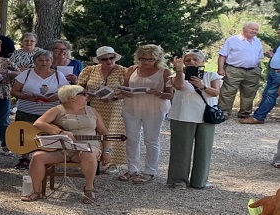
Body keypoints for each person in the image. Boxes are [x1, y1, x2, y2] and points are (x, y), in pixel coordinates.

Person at [21, 85, 111, 204]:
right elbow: (38, 123)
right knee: (37, 157)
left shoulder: (91, 110)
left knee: (87, 153)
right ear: (72, 97)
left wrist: (107, 151)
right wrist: (60, 132)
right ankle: (36, 191)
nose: (87, 96)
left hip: (89, 147)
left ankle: (89, 189)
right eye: (83, 94)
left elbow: (104, 132)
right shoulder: (57, 110)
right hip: (62, 149)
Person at [119, 44, 171, 185]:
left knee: (151, 140)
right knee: (131, 139)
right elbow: (124, 88)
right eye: (143, 59)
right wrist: (125, 92)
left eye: (150, 59)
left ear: (157, 58)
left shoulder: (164, 72)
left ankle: (150, 171)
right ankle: (132, 168)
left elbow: (170, 94)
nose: (146, 62)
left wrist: (157, 92)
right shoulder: (131, 69)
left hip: (154, 108)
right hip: (131, 107)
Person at [170, 50, 222, 189]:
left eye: (195, 59)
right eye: (187, 60)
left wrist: (202, 86)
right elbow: (179, 86)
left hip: (206, 116)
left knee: (204, 149)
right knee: (180, 148)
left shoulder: (211, 75)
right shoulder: (176, 75)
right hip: (182, 115)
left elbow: (216, 92)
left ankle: (200, 180)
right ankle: (178, 179)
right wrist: (180, 70)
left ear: (202, 62)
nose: (191, 62)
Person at [10, 50, 62, 169]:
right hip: (26, 109)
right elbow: (14, 91)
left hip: (49, 112)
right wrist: (26, 96)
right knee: (24, 133)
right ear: (34, 62)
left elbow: (64, 92)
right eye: (40, 60)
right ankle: (24, 158)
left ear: (51, 61)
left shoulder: (59, 75)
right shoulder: (26, 74)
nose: (44, 63)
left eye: (47, 60)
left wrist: (55, 96)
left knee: (47, 133)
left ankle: (44, 157)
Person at [77, 46, 127, 167]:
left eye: (112, 58)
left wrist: (114, 97)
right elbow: (79, 87)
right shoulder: (90, 70)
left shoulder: (123, 71)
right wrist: (87, 92)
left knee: (112, 133)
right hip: (94, 106)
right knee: (94, 131)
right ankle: (94, 160)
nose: (109, 61)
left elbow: (127, 91)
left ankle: (112, 162)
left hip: (114, 108)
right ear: (99, 60)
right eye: (105, 59)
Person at [217, 22, 264, 118]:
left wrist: (258, 69)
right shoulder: (232, 40)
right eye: (252, 29)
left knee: (249, 93)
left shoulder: (257, 41)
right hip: (234, 69)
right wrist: (220, 69)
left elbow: (259, 57)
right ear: (244, 28)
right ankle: (224, 112)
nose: (254, 31)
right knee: (228, 92)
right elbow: (222, 55)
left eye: (256, 30)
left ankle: (245, 113)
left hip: (252, 71)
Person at [241, 24, 280, 124]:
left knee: (270, 95)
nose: (278, 31)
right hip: (274, 72)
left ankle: (258, 117)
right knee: (266, 94)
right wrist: (272, 56)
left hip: (279, 74)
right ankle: (258, 115)